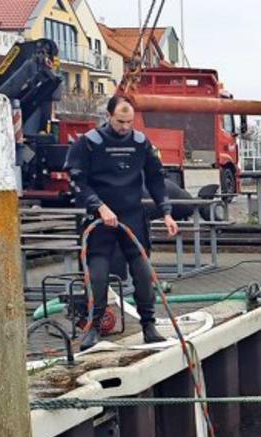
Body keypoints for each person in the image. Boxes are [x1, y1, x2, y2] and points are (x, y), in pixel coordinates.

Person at [66, 95, 179, 350]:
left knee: (143, 272)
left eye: (129, 121)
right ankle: (93, 328)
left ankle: (149, 326)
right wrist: (99, 206)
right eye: (120, 121)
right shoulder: (89, 144)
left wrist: (167, 212)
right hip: (99, 220)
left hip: (132, 218)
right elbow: (76, 182)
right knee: (97, 275)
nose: (125, 127)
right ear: (109, 116)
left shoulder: (140, 143)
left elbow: (156, 179)